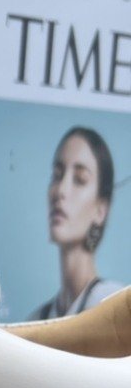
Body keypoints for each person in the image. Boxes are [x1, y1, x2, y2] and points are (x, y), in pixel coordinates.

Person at [29, 127, 122, 319]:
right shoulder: (36, 319)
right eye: (56, 176)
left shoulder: (115, 306)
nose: (60, 190)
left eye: (80, 180)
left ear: (101, 209)